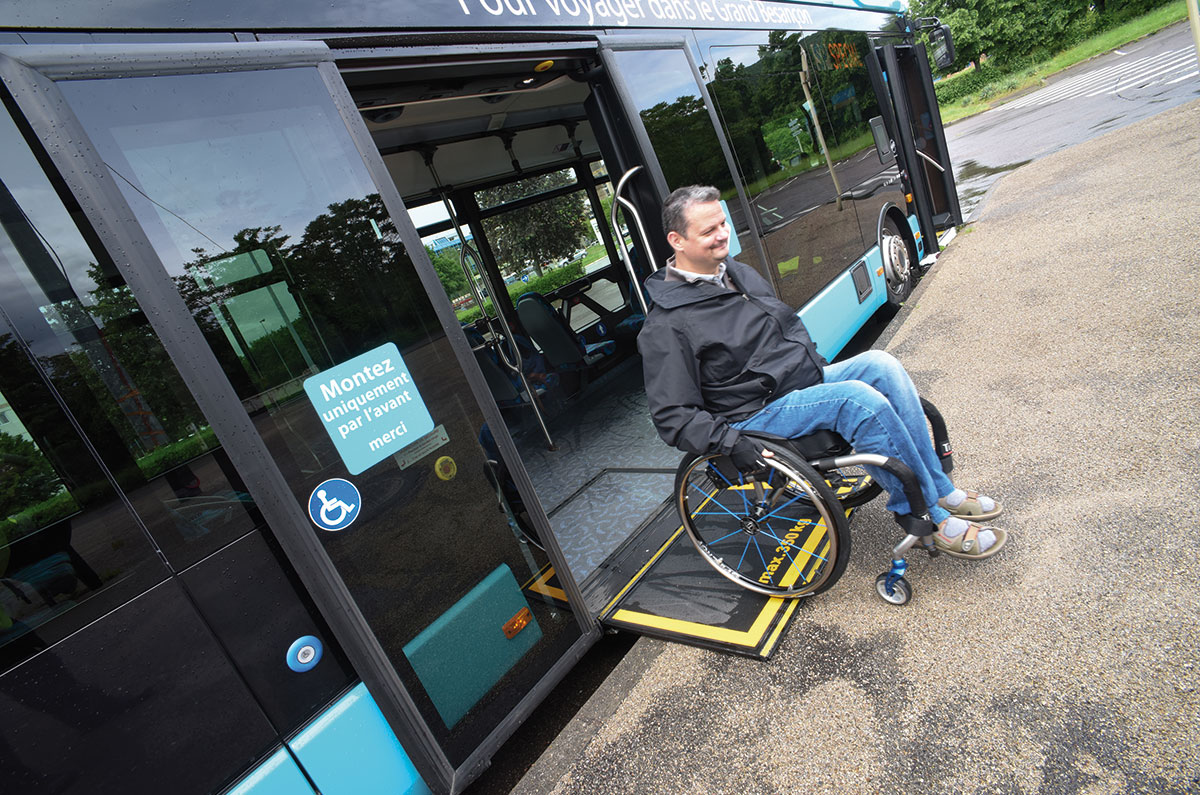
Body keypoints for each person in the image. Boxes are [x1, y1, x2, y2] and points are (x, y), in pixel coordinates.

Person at [637, 185, 1007, 559]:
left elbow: (786, 324)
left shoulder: (734, 271)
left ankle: (939, 489)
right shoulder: (666, 325)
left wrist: (812, 362)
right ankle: (926, 515)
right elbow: (672, 416)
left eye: (722, 224)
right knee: (857, 401)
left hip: (798, 382)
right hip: (754, 412)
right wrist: (731, 443)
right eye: (708, 231)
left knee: (882, 365)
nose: (722, 236)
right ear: (676, 240)